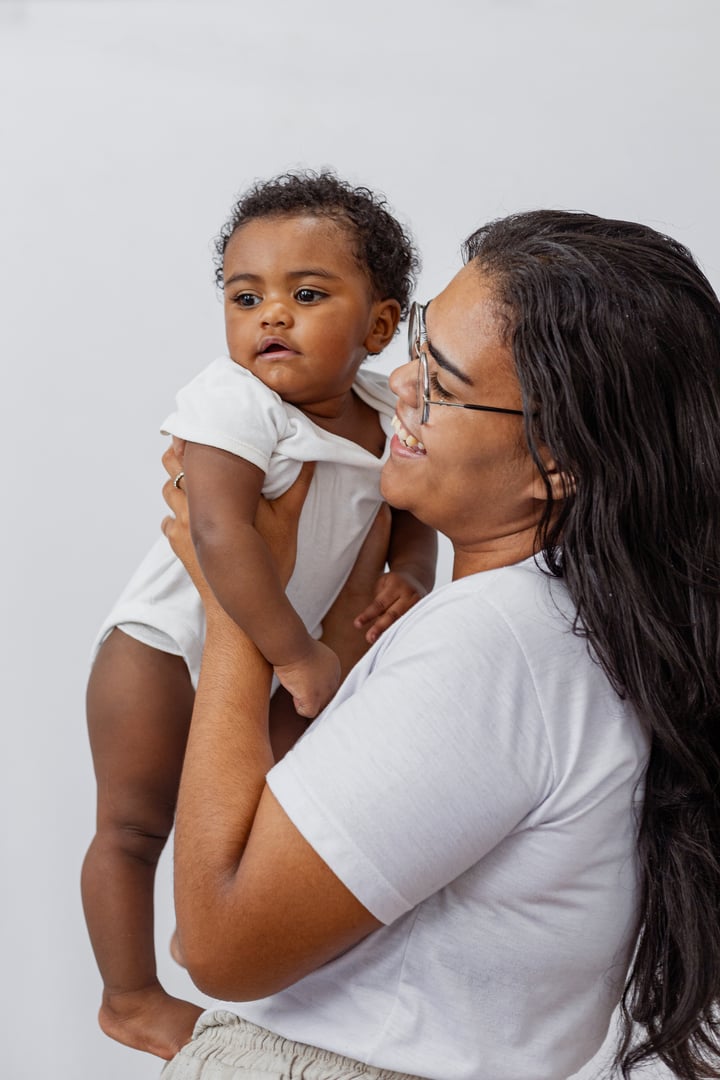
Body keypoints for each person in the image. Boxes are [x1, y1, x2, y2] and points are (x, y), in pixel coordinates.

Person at [158, 208, 720, 1080]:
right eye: (420, 343)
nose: (401, 386)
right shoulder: (571, 632)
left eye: (446, 385)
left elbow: (221, 944)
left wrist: (235, 605)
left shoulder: (495, 643)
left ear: (555, 462)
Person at [81, 172, 438, 1061]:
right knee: (132, 826)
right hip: (164, 648)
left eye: (307, 295)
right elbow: (218, 534)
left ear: (380, 324)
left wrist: (413, 571)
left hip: (282, 652)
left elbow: (413, 503)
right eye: (246, 298)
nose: (270, 316)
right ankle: (126, 994)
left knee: (275, 811)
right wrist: (298, 658)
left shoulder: (390, 408)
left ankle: (230, 938)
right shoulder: (232, 402)